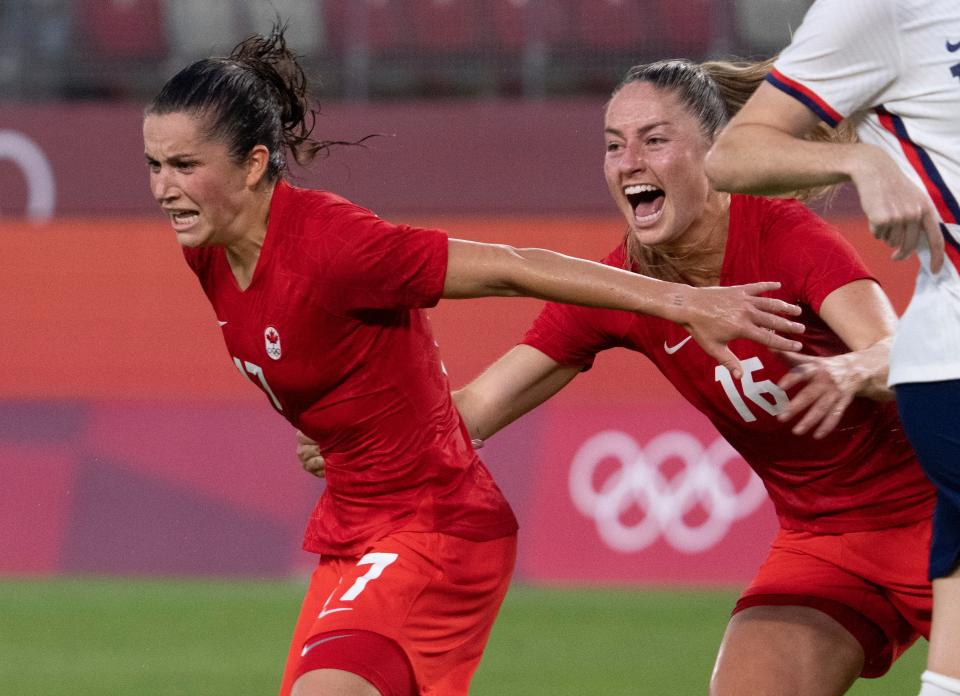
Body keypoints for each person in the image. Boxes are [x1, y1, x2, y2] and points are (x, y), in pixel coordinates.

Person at [143, 27, 805, 696]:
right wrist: (338, 434)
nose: (165, 188)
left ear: (254, 164)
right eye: (155, 166)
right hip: (354, 531)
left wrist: (679, 302)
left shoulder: (333, 245)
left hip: (434, 529)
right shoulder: (208, 247)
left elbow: (516, 270)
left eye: (184, 165)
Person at [292, 57, 938, 695]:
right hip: (820, 547)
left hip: (941, 520)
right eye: (613, 145)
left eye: (655, 140)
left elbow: (897, 353)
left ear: (718, 155)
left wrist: (849, 369)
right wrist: (370, 439)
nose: (629, 161)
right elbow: (479, 408)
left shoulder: (784, 236)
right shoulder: (619, 289)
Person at [705, 2, 960, 694]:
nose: (628, 161)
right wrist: (861, 160)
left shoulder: (794, 239)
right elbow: (734, 152)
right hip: (943, 381)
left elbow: (878, 349)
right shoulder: (885, 8)